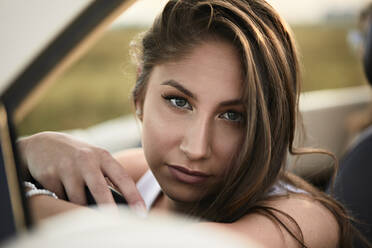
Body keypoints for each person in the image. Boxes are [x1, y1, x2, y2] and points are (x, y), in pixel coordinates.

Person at [18, 0, 362, 247]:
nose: (196, 149)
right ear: (140, 93)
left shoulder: (304, 219)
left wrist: (25, 201)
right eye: (178, 102)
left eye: (233, 116)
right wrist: (30, 149)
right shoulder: (136, 178)